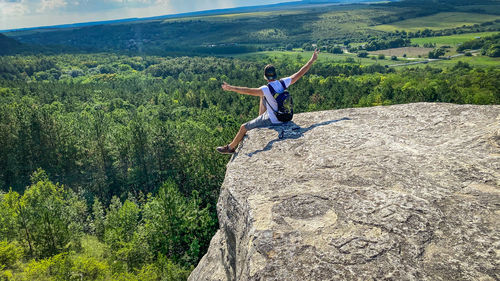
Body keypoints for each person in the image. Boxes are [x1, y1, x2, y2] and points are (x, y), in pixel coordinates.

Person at [216, 49, 319, 154]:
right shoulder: (283, 82)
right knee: (263, 97)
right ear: (275, 75)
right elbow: (300, 73)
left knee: (243, 127)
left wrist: (230, 88)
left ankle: (230, 147)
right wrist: (312, 60)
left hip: (274, 120)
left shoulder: (265, 89)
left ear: (265, 77)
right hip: (286, 116)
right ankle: (260, 117)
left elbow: (247, 91)